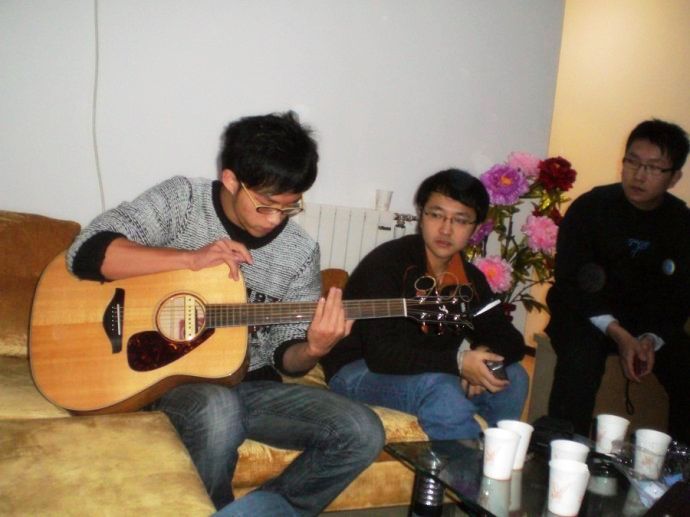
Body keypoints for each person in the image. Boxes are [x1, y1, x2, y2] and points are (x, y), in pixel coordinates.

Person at [66, 111, 385, 515]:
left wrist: (314, 349)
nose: (274, 220)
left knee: (362, 430)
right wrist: (188, 260)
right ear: (231, 180)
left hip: (249, 387)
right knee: (218, 409)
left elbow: (286, 359)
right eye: (265, 205)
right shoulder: (183, 201)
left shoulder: (300, 253)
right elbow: (86, 251)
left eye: (289, 208)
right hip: (159, 381)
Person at [321, 169, 529, 440]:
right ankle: (464, 463)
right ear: (421, 215)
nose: (445, 229)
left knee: (513, 376)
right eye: (436, 215)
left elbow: (511, 340)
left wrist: (483, 357)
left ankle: (493, 451)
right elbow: (382, 354)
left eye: (460, 220)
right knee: (442, 388)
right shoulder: (386, 263)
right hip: (358, 370)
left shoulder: (470, 278)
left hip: (429, 373)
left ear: (476, 229)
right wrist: (458, 363)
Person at [546, 119, 690, 444]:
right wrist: (617, 332)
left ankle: (680, 463)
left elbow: (680, 295)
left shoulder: (681, 223)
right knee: (580, 358)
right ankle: (563, 449)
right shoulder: (591, 207)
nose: (639, 175)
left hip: (647, 324)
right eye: (633, 162)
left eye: (654, 168)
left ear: (674, 177)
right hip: (587, 316)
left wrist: (651, 338)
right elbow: (570, 280)